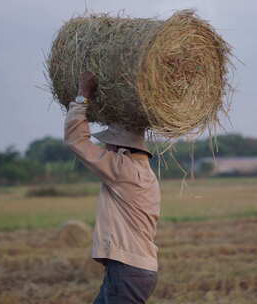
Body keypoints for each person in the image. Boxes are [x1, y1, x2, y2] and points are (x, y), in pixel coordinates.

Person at [64, 71, 161, 304]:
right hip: (129, 270)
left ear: (121, 148)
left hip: (128, 270)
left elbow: (76, 140)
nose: (105, 147)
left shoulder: (124, 170)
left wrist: (82, 97)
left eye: (108, 143)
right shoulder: (142, 173)